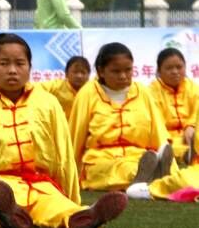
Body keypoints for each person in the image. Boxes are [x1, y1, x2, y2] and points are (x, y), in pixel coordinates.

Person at [0, 33, 126, 228]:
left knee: (57, 206)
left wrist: (71, 199)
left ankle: (80, 216)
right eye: (4, 63)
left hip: (40, 185)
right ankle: (6, 214)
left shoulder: (48, 103)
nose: (12, 70)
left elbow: (63, 156)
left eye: (20, 64)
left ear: (30, 67)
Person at [69, 42, 199, 201]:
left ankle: (154, 177)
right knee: (125, 169)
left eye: (128, 70)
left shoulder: (142, 92)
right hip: (100, 160)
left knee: (164, 169)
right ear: (101, 71)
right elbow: (76, 137)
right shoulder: (87, 94)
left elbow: (158, 135)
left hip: (140, 155)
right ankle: (149, 178)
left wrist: (172, 167)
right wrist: (70, 174)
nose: (123, 75)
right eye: (116, 71)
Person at [149, 49, 198, 167]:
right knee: (167, 146)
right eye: (169, 68)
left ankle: (188, 154)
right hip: (167, 137)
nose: (175, 71)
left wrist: (191, 126)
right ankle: (185, 155)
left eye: (179, 67)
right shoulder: (151, 92)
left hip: (192, 134)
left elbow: (197, 112)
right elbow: (155, 123)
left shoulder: (193, 87)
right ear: (159, 71)